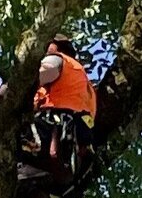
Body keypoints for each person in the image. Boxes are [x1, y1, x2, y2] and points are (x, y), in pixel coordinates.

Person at [30, 34, 96, 172]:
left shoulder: (58, 59)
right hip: (70, 157)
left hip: (52, 134)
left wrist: (2, 92)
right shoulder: (85, 85)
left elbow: (30, 80)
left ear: (58, 46)